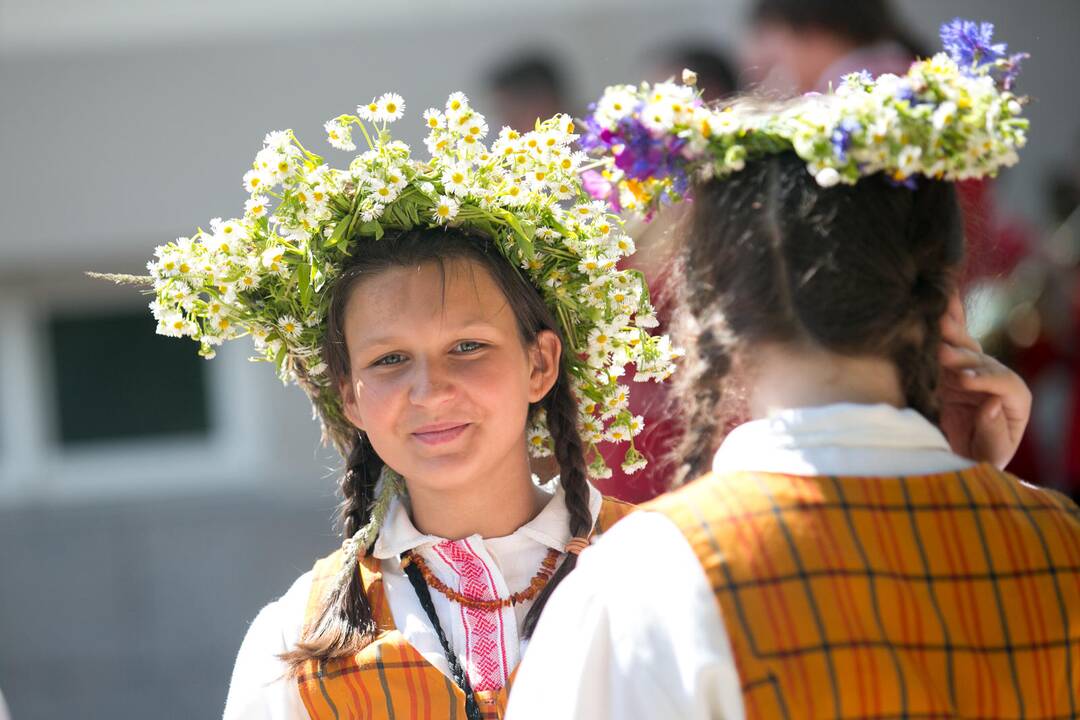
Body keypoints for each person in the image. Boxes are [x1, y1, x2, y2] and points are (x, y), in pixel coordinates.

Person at [508, 20, 1079, 719]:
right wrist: (986, 490)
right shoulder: (1058, 545)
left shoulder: (643, 580)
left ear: (704, 310)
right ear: (941, 299)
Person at [94, 91, 676, 718]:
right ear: (350, 396)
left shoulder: (665, 570)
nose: (431, 390)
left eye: (467, 346)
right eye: (390, 360)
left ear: (540, 364)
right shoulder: (298, 641)